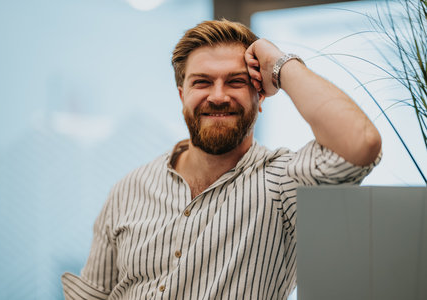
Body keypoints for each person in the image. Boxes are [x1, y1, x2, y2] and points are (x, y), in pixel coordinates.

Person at [61, 19, 381, 299]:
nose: (217, 96)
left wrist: (279, 63)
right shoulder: (129, 189)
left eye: (236, 81)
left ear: (261, 97)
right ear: (182, 95)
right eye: (202, 82)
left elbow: (360, 142)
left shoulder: (283, 180)